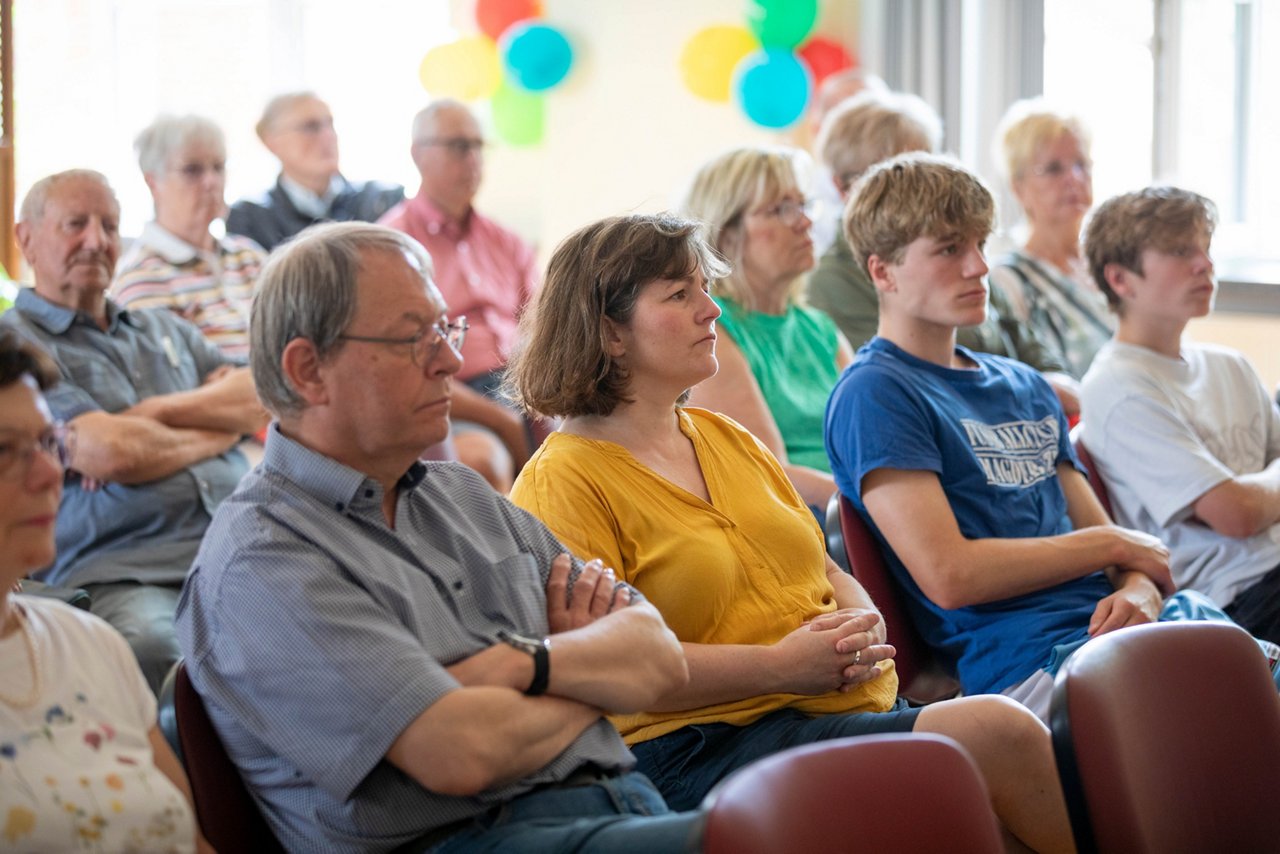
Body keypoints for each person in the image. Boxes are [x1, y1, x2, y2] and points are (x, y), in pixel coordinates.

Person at [505, 213, 1074, 852]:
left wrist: (864, 622)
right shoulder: (562, 482)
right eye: (680, 295)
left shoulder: (729, 439)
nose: (712, 310)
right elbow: (610, 666)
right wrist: (780, 667)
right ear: (610, 332)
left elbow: (824, 568)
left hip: (827, 707)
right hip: (701, 746)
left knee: (1000, 812)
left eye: (705, 288)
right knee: (997, 731)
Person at [175, 222, 707, 852]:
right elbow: (460, 751)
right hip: (467, 840)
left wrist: (518, 665)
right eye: (413, 338)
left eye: (444, 330)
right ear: (308, 370)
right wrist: (588, 675)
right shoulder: (261, 558)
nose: (452, 361)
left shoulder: (462, 495)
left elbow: (659, 657)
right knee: (784, 828)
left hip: (624, 804)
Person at [824, 153, 1274, 721]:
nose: (979, 267)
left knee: (1255, 683)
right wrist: (1113, 549)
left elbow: (1117, 545)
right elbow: (950, 574)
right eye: (948, 250)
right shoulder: (877, 391)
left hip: (1122, 626)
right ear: (882, 272)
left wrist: (1139, 588)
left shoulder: (1024, 384)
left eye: (981, 244)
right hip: (1024, 661)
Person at [0, 170, 267, 692]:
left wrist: (147, 417)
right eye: (76, 224)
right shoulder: (16, 344)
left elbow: (260, 398)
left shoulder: (162, 328)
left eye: (110, 225)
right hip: (125, 569)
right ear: (24, 238)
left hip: (240, 544)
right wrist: (221, 428)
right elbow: (109, 453)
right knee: (155, 650)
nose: (97, 240)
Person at [0, 330, 210, 853]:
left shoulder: (91, 642)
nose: (52, 471)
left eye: (49, 442)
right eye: (5, 450)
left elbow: (191, 839)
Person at [1081, 187, 1280, 644]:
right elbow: (1237, 515)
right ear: (1121, 280)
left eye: (1206, 248)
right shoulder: (1118, 385)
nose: (1204, 264)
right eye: (1179, 251)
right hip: (1236, 595)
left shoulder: (1230, 364)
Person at [807, 91, 1080, 418]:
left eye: (928, 169)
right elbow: (917, 378)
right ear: (843, 187)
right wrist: (1031, 389)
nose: (923, 189)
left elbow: (1031, 346)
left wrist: (1048, 381)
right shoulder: (834, 282)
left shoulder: (966, 253)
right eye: (896, 176)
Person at [380, 99, 541, 491]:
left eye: (478, 147)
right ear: (418, 155)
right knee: (482, 463)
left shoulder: (507, 241)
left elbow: (543, 324)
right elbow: (403, 363)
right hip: (451, 392)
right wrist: (500, 418)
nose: (472, 160)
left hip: (523, 382)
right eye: (458, 147)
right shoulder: (391, 245)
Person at [681, 146, 845, 511]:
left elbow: (876, 439)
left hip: (854, 510)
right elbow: (769, 472)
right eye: (781, 210)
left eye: (804, 205)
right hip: (807, 520)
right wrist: (883, 507)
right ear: (726, 235)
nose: (804, 222)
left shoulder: (818, 328)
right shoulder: (711, 327)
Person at [112, 114, 266, 362]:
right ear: (153, 182)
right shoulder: (142, 279)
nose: (211, 182)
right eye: (192, 170)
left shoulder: (250, 256)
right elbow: (179, 387)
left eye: (218, 167)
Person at [988, 99, 1113, 378]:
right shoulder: (1008, 280)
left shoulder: (1113, 264)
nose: (1074, 178)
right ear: (1018, 187)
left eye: (1081, 164)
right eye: (1054, 169)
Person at [226, 92, 403, 251]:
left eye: (330, 124)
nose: (328, 136)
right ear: (271, 141)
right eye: (311, 127)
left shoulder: (383, 199)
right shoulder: (250, 218)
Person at [799, 68, 888, 256]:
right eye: (852, 124)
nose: (870, 135)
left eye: (880, 121)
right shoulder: (804, 200)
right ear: (818, 129)